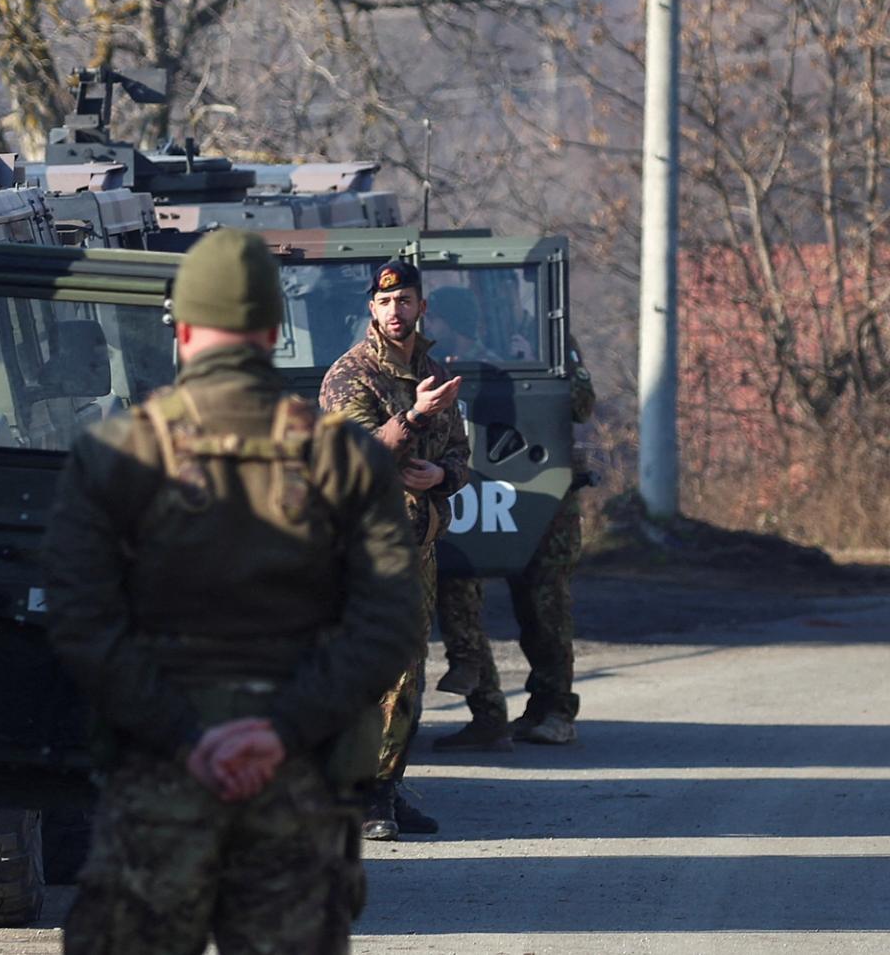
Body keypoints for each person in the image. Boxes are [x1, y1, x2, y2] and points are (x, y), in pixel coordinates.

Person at [44, 230, 424, 954]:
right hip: (298, 785)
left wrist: (187, 736)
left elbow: (79, 623)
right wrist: (277, 730)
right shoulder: (344, 458)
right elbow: (389, 626)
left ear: (182, 328)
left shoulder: (113, 454)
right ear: (275, 331)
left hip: (158, 782)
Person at [319, 258, 471, 841]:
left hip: (420, 543)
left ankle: (387, 785)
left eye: (405, 301)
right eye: (385, 303)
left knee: (409, 672)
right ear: (371, 310)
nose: (395, 311)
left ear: (420, 307)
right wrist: (411, 418)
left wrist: (444, 476)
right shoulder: (349, 376)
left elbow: (460, 454)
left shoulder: (433, 371)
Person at [434, 333, 598, 746]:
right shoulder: (420, 348)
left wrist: (524, 358)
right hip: (462, 487)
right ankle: (487, 714)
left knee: (544, 606)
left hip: (538, 492)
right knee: (457, 597)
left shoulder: (542, 334)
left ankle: (554, 709)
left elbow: (582, 404)